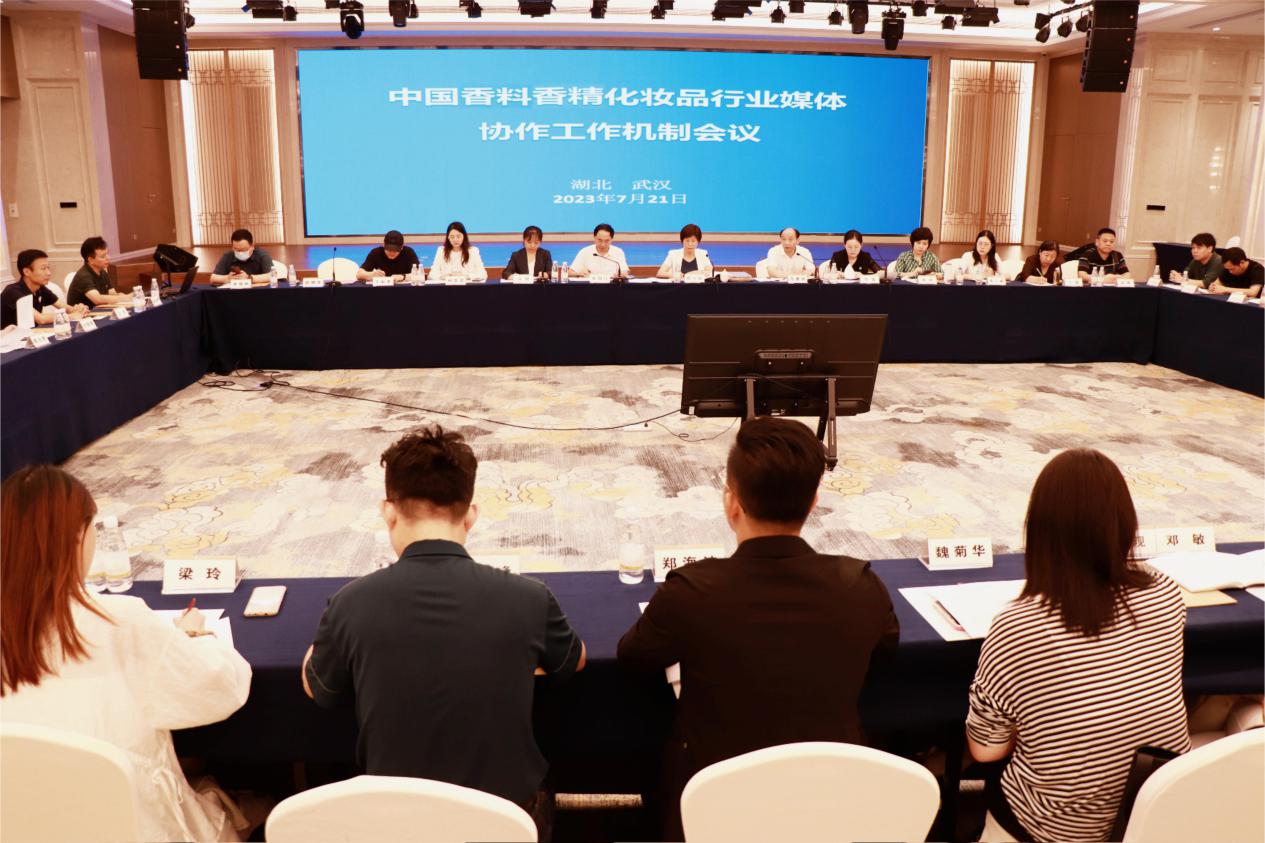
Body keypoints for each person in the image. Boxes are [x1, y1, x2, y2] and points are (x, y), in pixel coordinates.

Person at [618, 417, 899, 839]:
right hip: (827, 797)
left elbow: (632, 656)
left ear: (731, 503)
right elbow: (887, 649)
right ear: (814, 501)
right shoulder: (861, 586)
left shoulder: (691, 591)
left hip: (711, 800)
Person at [302, 427, 586, 811]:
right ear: (471, 516)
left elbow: (319, 689)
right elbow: (574, 661)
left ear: (388, 512)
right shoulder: (530, 597)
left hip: (397, 818)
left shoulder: (348, 604)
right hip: (505, 816)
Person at [0, 465, 252, 842]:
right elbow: (218, 689)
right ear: (78, 536)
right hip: (130, 826)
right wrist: (196, 636)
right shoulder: (118, 620)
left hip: (20, 825)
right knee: (252, 806)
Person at [966, 449, 1189, 843]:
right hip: (1155, 814)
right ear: (1124, 521)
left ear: (1039, 529)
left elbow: (987, 750)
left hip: (1055, 830)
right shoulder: (1165, 592)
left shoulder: (1019, 625)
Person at [1, 249, 84, 328]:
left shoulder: (40, 288)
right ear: (27, 272)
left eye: (48, 268)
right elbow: (41, 319)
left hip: (32, 334)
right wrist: (71, 316)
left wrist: (79, 309)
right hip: (9, 336)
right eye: (43, 268)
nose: (48, 273)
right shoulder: (13, 292)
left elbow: (66, 308)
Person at [67, 237, 130, 307]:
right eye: (103, 256)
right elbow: (98, 300)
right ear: (91, 260)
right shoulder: (83, 276)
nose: (108, 258)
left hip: (98, 310)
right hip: (82, 313)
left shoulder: (102, 272)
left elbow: (112, 294)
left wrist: (122, 296)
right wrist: (126, 297)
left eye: (107, 254)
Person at [209, 229, 274, 286]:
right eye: (236, 249)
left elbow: (271, 275)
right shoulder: (228, 256)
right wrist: (228, 278)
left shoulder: (262, 255)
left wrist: (249, 278)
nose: (240, 253)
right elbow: (213, 278)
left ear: (252, 246)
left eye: (243, 250)